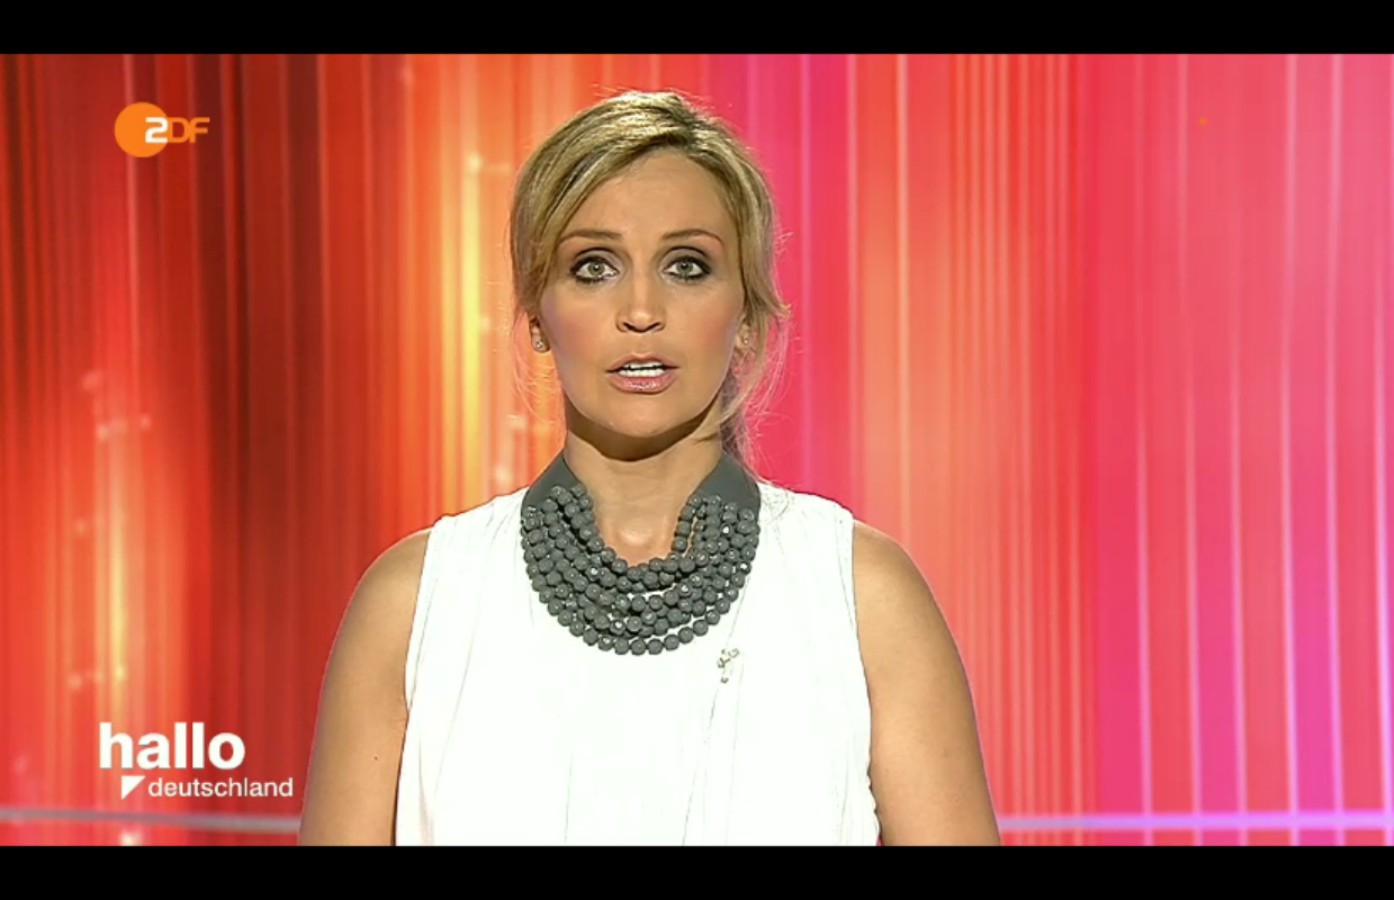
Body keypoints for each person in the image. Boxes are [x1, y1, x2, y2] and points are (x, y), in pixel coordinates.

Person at [297, 90, 1000, 846]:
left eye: (687, 266)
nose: (640, 309)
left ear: (747, 315)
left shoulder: (860, 594)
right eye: (593, 267)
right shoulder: (418, 603)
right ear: (537, 316)